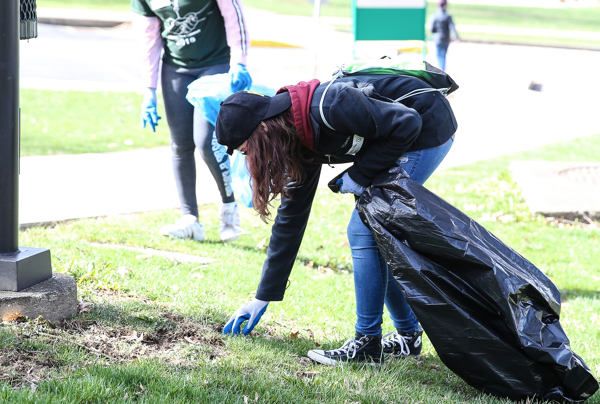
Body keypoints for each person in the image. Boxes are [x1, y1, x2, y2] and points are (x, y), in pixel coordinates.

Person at [215, 73, 458, 365]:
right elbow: (291, 218)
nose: (251, 159)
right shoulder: (295, 138)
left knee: (363, 231)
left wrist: (359, 175)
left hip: (427, 127)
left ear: (263, 131)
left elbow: (407, 123)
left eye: (248, 149)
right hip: (404, 132)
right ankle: (408, 338)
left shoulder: (328, 107)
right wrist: (261, 297)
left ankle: (366, 344)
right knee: (374, 234)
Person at [131, 0, 252, 242]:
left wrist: (239, 61)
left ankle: (229, 210)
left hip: (215, 64)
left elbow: (234, 17)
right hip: (176, 69)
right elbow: (150, 39)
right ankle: (190, 219)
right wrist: (148, 90)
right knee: (181, 144)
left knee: (207, 141)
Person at [429, 0, 460, 71]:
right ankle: (442, 68)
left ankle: (440, 67)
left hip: (437, 38)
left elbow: (431, 28)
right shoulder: (448, 16)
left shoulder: (434, 15)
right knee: (443, 54)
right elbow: (452, 27)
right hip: (446, 38)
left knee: (439, 54)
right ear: (445, 6)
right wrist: (456, 37)